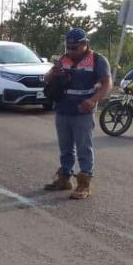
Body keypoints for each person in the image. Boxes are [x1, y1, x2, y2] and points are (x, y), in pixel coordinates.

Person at [44, 28, 112, 199]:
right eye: (68, 47)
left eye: (75, 48)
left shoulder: (97, 60)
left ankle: (84, 183)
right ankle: (65, 178)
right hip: (63, 109)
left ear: (84, 44)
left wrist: (93, 100)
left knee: (84, 148)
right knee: (65, 148)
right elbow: (46, 79)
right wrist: (53, 73)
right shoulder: (63, 59)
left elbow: (107, 84)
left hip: (83, 111)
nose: (71, 51)